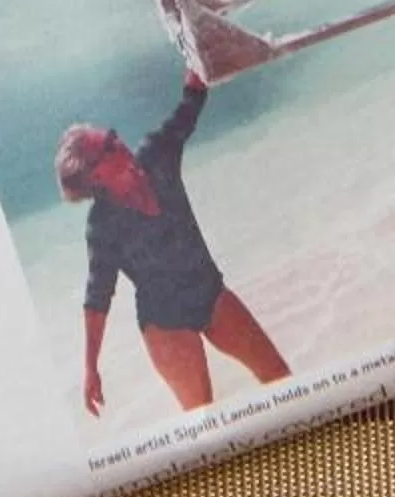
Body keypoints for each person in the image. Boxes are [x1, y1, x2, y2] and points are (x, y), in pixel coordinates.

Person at [57, 71, 289, 416]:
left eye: (113, 135)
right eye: (108, 146)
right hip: (165, 324)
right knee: (205, 423)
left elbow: (189, 105)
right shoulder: (103, 227)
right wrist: (91, 368)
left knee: (282, 380)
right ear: (95, 176)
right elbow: (97, 298)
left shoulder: (156, 155)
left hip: (211, 293)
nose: (119, 142)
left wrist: (197, 55)